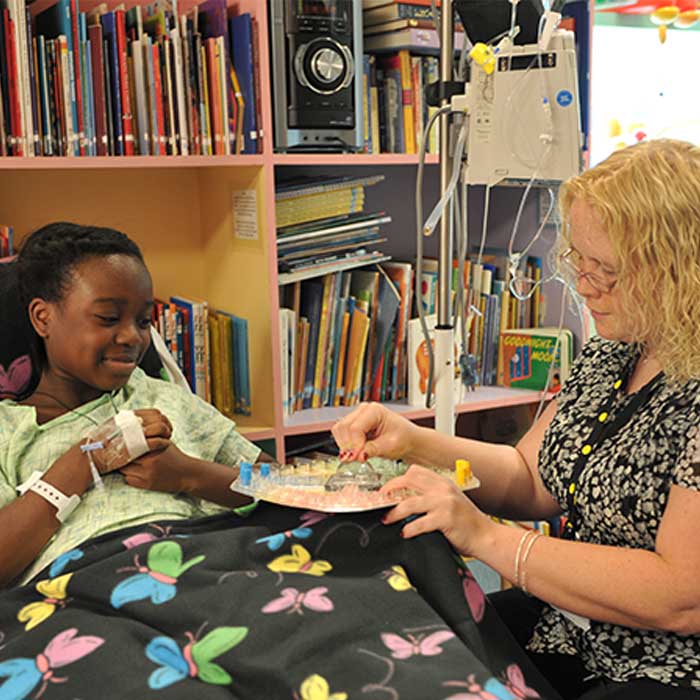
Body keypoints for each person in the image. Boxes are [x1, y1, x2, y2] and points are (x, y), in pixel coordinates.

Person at [332, 139, 700, 699]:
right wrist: (412, 441)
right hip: (574, 630)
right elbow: (531, 479)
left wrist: (486, 538)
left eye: (608, 271)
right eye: (580, 261)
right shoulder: (616, 352)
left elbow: (680, 594)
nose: (583, 286)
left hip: (668, 667)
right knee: (396, 641)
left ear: (683, 270)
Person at [0, 222, 264, 588]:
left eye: (143, 321)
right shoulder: (7, 430)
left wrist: (189, 474)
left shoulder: (163, 397)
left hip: (203, 560)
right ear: (43, 317)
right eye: (108, 318)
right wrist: (84, 460)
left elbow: (281, 485)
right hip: (83, 586)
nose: (132, 337)